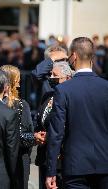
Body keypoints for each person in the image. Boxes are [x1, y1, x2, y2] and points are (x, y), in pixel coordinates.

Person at [46, 37, 108, 189]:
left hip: (75, 165)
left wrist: (51, 170)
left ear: (73, 56)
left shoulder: (64, 89)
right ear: (92, 57)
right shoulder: (106, 87)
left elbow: (56, 132)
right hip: (104, 162)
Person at [1, 65, 45, 189]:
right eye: (18, 78)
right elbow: (25, 133)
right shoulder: (20, 105)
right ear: (14, 81)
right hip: (18, 160)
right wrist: (35, 136)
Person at [35, 61, 74, 189]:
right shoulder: (48, 95)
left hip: (62, 159)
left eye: (55, 75)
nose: (51, 78)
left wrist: (51, 136)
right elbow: (40, 120)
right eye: (50, 74)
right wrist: (38, 134)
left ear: (68, 78)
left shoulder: (71, 98)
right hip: (45, 157)